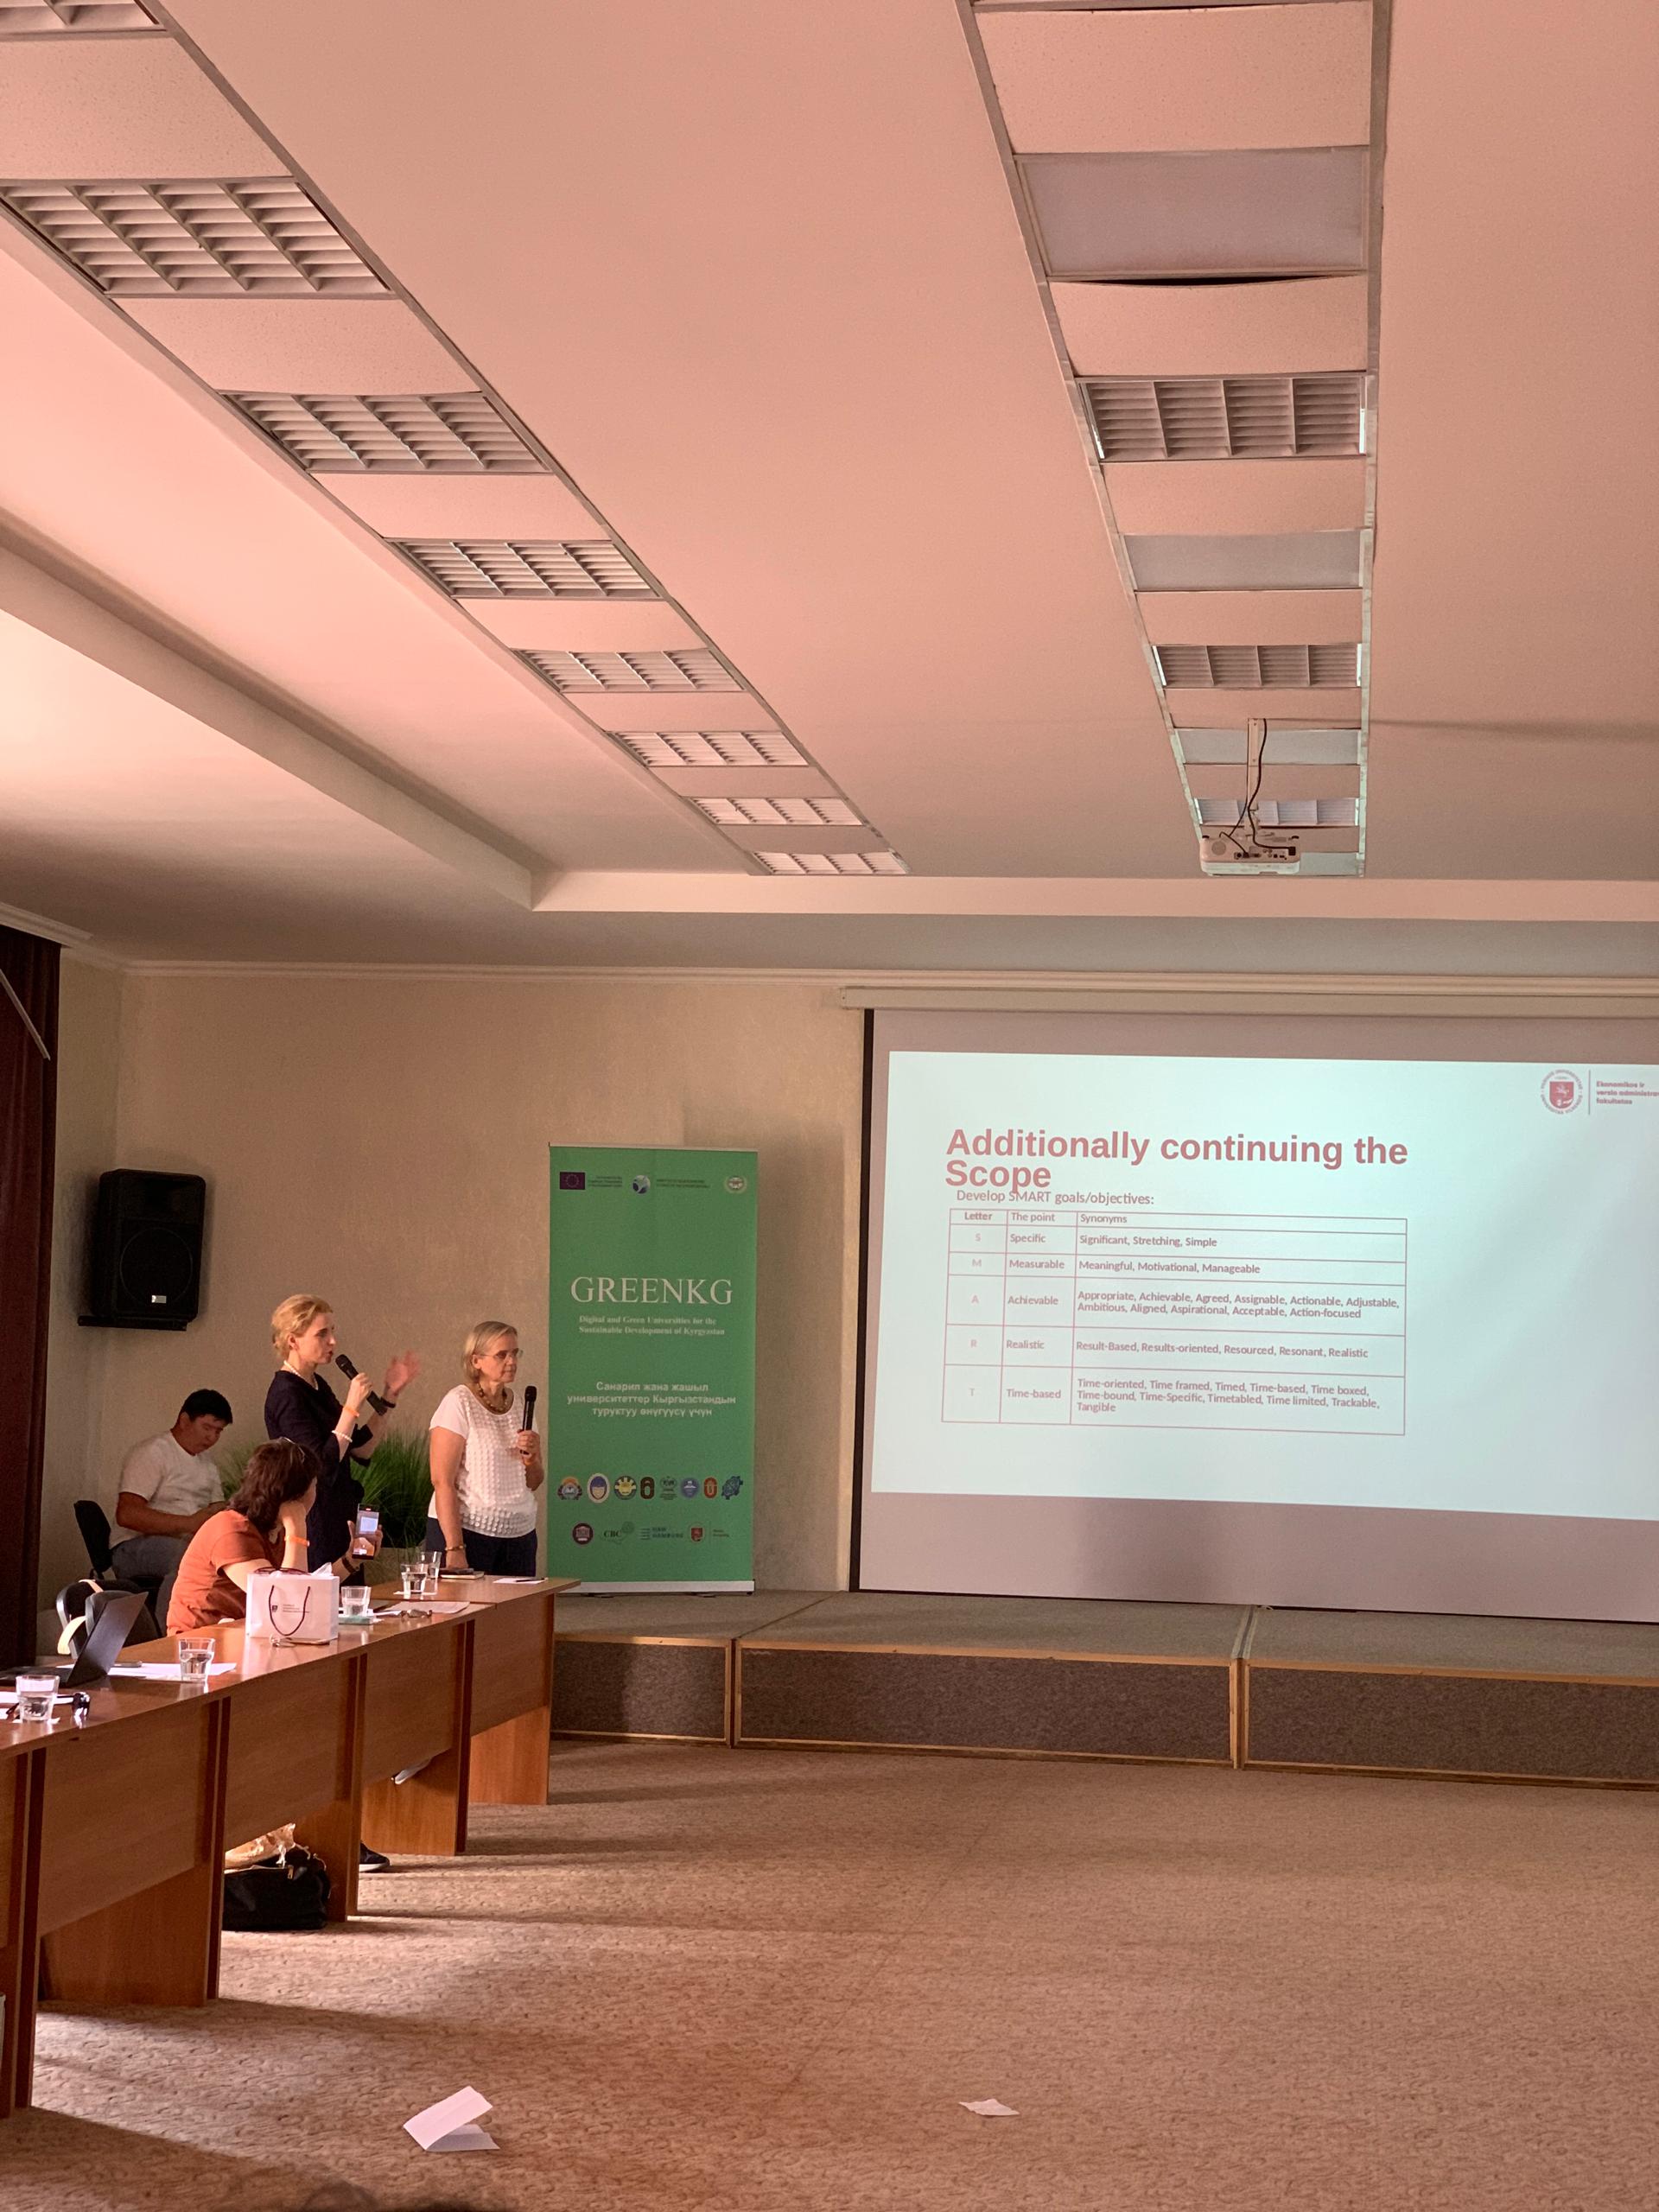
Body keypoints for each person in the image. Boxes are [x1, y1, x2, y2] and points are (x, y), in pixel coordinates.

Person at [263, 1295, 417, 1575]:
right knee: (323, 1594)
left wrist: (389, 1396)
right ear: (293, 1340)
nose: (333, 1341)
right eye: (322, 1334)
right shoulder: (286, 1393)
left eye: (332, 1332)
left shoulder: (318, 1385)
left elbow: (360, 1448)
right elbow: (321, 1465)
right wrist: (351, 1406)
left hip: (341, 1511)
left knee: (355, 1597)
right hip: (314, 1519)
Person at [167, 1440, 376, 1632]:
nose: (316, 1493)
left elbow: (303, 1588)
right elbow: (284, 1601)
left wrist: (350, 1560)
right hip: (199, 1647)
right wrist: (296, 1528)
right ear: (296, 1494)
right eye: (314, 1486)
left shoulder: (273, 1528)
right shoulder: (231, 1529)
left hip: (242, 1637)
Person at [426, 1321, 544, 1576]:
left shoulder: (522, 1406)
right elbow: (442, 1481)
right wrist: (455, 1548)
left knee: (521, 1604)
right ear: (476, 1360)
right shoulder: (458, 1403)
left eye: (515, 1353)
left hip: (519, 1535)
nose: (512, 1361)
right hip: (468, 1533)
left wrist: (532, 1459)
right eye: (502, 1355)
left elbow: (534, 1482)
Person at [111, 1388, 232, 1630]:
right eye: (207, 1428)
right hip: (133, 1546)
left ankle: (211, 1630)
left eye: (218, 1431)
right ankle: (167, 1634)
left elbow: (215, 1508)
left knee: (226, 1559)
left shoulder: (207, 1464)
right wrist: (190, 1523)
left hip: (184, 1540)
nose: (211, 1438)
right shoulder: (153, 1452)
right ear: (184, 1420)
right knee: (188, 1558)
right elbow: (127, 1514)